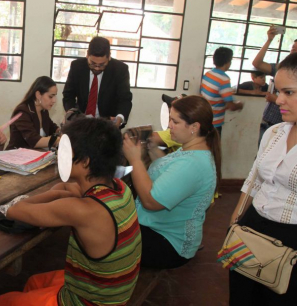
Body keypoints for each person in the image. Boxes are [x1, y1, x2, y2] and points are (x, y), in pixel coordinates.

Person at [0, 118, 142, 306]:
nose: (60, 157)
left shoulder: (81, 210)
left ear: (86, 162)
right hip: (113, 291)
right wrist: (66, 189)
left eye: (66, 153)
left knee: (2, 301)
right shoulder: (120, 187)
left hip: (89, 301)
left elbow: (15, 210)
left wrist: (54, 192)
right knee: (34, 282)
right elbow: (76, 193)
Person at [228, 53, 297, 306]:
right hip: (254, 225)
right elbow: (254, 178)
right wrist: (236, 219)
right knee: (242, 295)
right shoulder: (275, 132)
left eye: (288, 92)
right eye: (277, 91)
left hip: (291, 237)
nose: (278, 99)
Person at [123, 95, 220, 269]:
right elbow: (170, 171)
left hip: (168, 243)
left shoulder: (192, 165)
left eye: (175, 121)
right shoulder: (190, 150)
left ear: (194, 127)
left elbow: (151, 201)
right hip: (160, 230)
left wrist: (135, 160)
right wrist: (152, 149)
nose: (169, 126)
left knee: (102, 232)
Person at [62, 36, 132, 128]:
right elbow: (68, 95)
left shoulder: (120, 70)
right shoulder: (77, 66)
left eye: (102, 65)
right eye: (93, 63)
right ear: (87, 55)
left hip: (107, 125)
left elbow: (125, 99)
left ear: (109, 57)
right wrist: (72, 114)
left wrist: (119, 118)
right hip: (81, 123)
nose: (97, 68)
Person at [251, 26, 297, 146]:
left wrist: (274, 98)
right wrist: (269, 40)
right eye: (293, 47)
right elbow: (257, 63)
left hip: (282, 124)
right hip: (268, 123)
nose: (280, 100)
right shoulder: (280, 69)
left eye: (289, 92)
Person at [6, 76, 60, 150]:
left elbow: (52, 128)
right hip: (16, 156)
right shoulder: (22, 112)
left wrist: (64, 131)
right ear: (38, 95)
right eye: (50, 97)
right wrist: (57, 141)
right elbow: (34, 140)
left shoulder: (44, 111)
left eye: (55, 96)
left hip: (35, 156)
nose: (54, 100)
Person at [200, 47, 244, 136]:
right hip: (214, 123)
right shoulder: (224, 79)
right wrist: (240, 105)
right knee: (213, 148)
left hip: (203, 118)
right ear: (228, 62)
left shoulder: (208, 74)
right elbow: (231, 106)